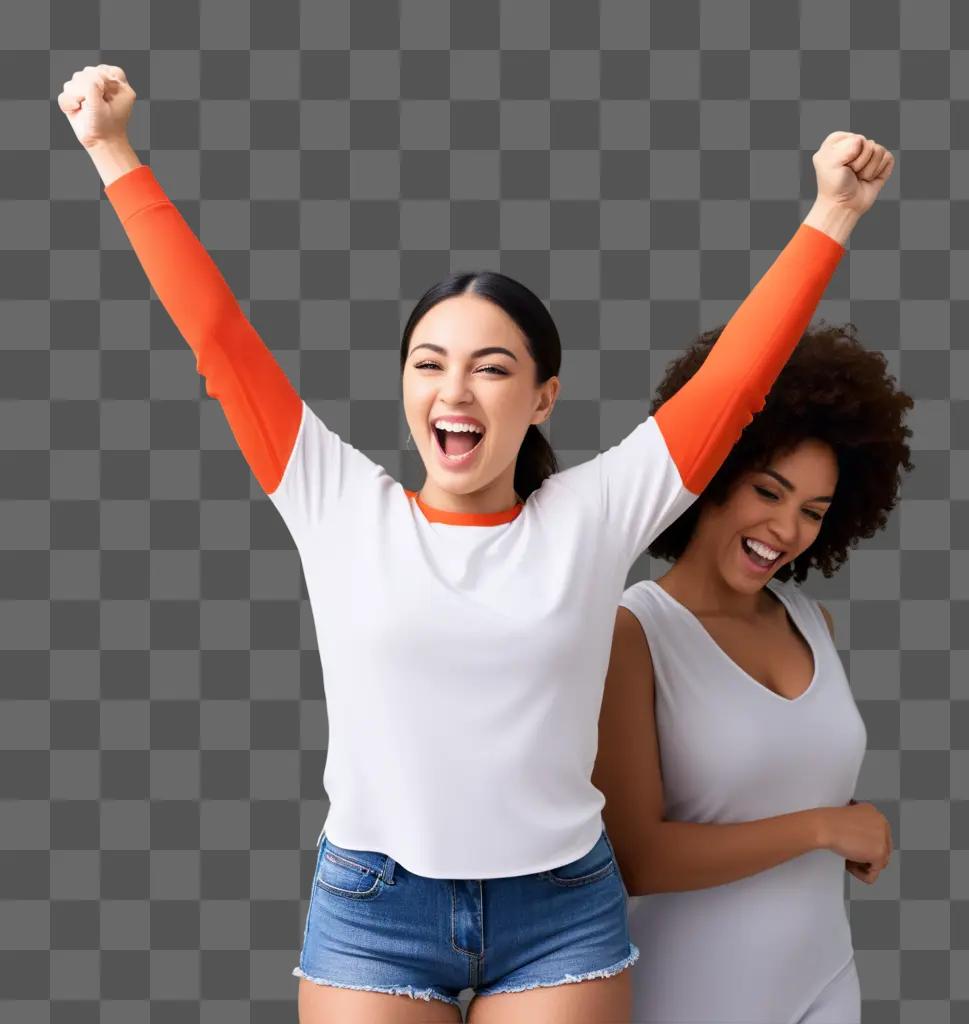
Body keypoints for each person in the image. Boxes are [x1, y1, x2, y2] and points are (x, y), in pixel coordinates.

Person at [57, 62, 892, 1024]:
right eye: (430, 364)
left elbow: (737, 383)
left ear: (541, 397)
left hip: (559, 912)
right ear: (406, 387)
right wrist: (113, 149)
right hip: (374, 911)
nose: (455, 392)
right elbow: (218, 337)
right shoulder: (336, 504)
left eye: (491, 368)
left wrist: (834, 212)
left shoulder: (591, 515)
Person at [593, 323, 914, 1023]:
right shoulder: (632, 633)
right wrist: (825, 828)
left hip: (825, 977)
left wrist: (848, 829)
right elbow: (637, 856)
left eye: (812, 513)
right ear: (716, 470)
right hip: (686, 991)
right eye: (769, 492)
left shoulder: (811, 626)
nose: (786, 529)